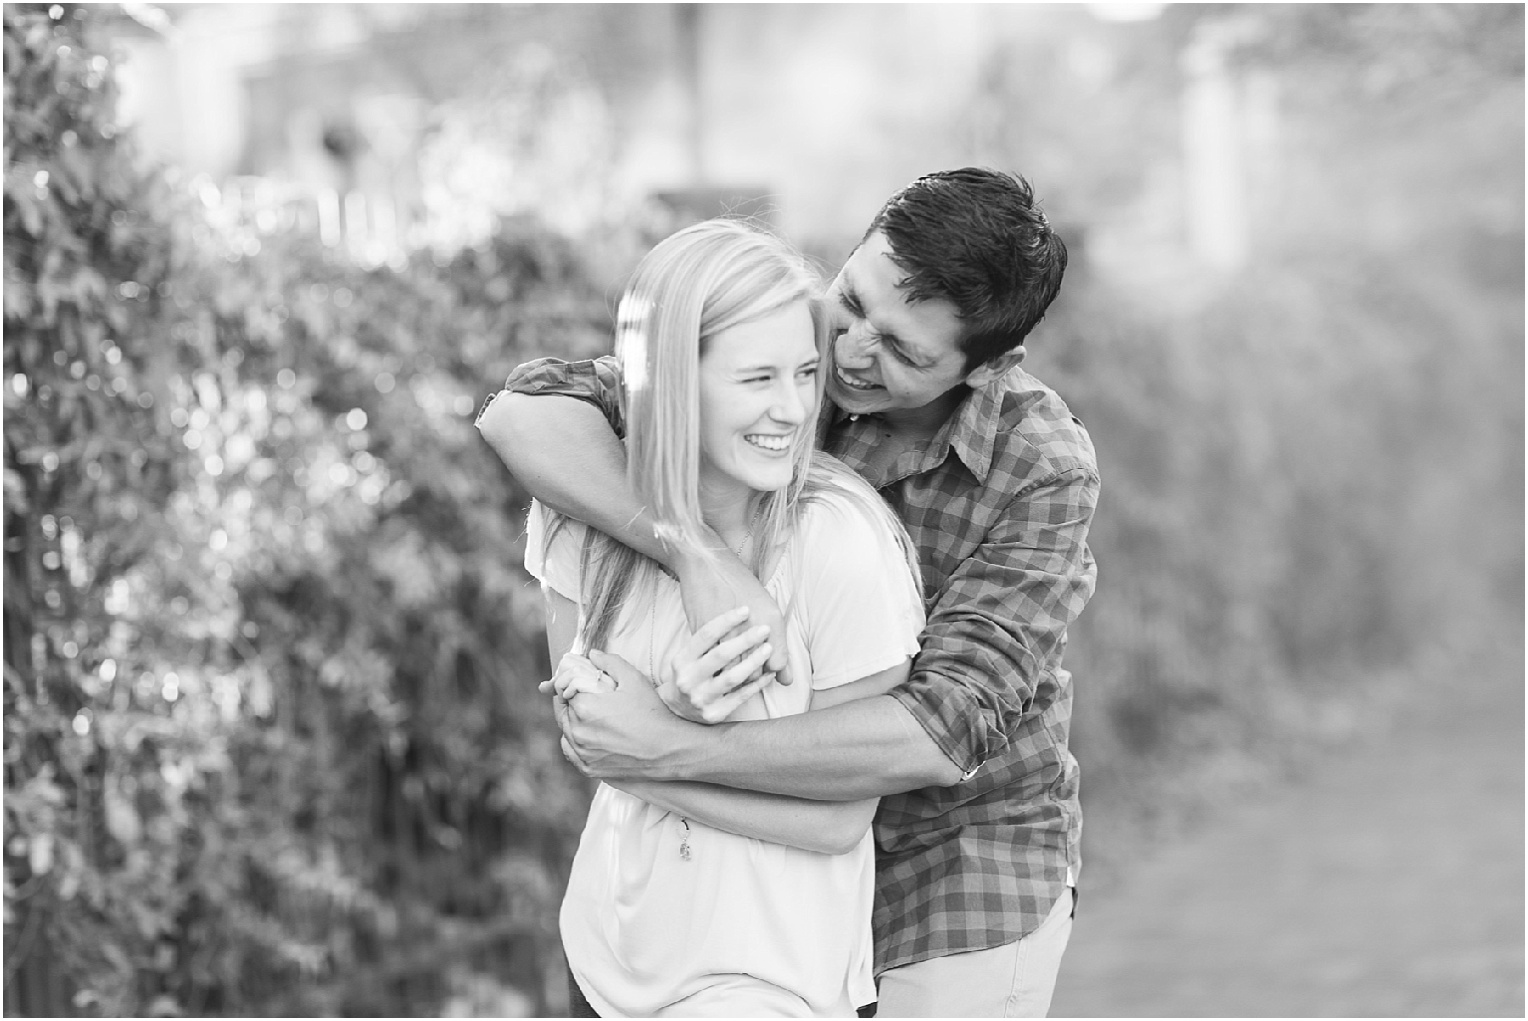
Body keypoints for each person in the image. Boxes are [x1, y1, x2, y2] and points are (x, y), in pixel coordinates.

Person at [477, 168, 1099, 1017]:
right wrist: (692, 550)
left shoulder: (1040, 467)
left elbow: (938, 731)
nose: (849, 355)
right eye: (853, 303)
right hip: (768, 871)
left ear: (984, 365)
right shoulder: (785, 356)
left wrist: (660, 746)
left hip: (956, 866)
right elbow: (527, 411)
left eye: (904, 352)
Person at [516, 218, 927, 1017]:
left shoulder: (839, 540)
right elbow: (594, 740)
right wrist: (656, 725)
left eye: (804, 373)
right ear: (671, 379)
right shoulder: (575, 520)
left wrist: (666, 742)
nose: (793, 408)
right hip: (604, 961)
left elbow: (841, 818)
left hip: (768, 981)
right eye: (756, 378)